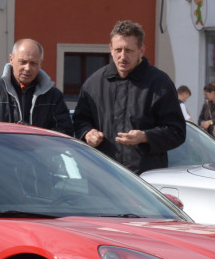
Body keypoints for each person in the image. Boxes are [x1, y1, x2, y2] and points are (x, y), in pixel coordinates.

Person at [73, 20, 186, 174]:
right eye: (118, 50)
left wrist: (145, 136)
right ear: (111, 49)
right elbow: (79, 121)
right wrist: (87, 133)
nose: (122, 56)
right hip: (102, 176)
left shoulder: (159, 83)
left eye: (129, 50)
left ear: (141, 50)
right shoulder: (93, 83)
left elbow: (177, 131)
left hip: (145, 180)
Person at [0, 38, 73, 135]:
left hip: (38, 156)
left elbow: (65, 133)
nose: (27, 68)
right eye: (23, 62)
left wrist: (35, 135)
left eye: (33, 63)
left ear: (40, 64)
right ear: (11, 59)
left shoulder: (53, 96)